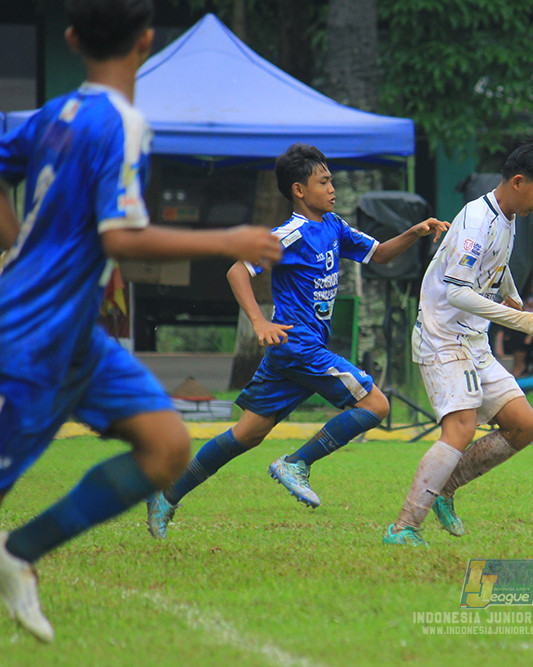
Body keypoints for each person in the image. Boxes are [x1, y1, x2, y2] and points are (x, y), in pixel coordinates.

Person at [0, 0, 282, 643]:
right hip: (35, 337)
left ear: (70, 39)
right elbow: (122, 238)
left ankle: (18, 553)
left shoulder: (53, 114)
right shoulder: (122, 124)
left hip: (75, 337)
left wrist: (18, 246)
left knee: (166, 446)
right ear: (148, 42)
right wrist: (228, 238)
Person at [145, 143, 448, 538]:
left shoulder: (334, 226)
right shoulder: (290, 234)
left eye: (331, 181)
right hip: (298, 345)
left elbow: (380, 255)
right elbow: (238, 271)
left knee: (247, 433)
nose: (332, 189)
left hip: (291, 352)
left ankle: (166, 495)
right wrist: (258, 322)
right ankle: (296, 463)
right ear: (299, 190)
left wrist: (414, 232)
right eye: (323, 182)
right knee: (376, 403)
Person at [384, 140, 533, 546]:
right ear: (518, 182)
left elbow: (494, 267)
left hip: (472, 339)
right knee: (460, 428)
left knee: (524, 426)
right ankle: (403, 527)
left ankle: (446, 489)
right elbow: (459, 292)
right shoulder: (477, 221)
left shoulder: (507, 215)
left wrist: (512, 292)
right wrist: (520, 318)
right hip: (443, 336)